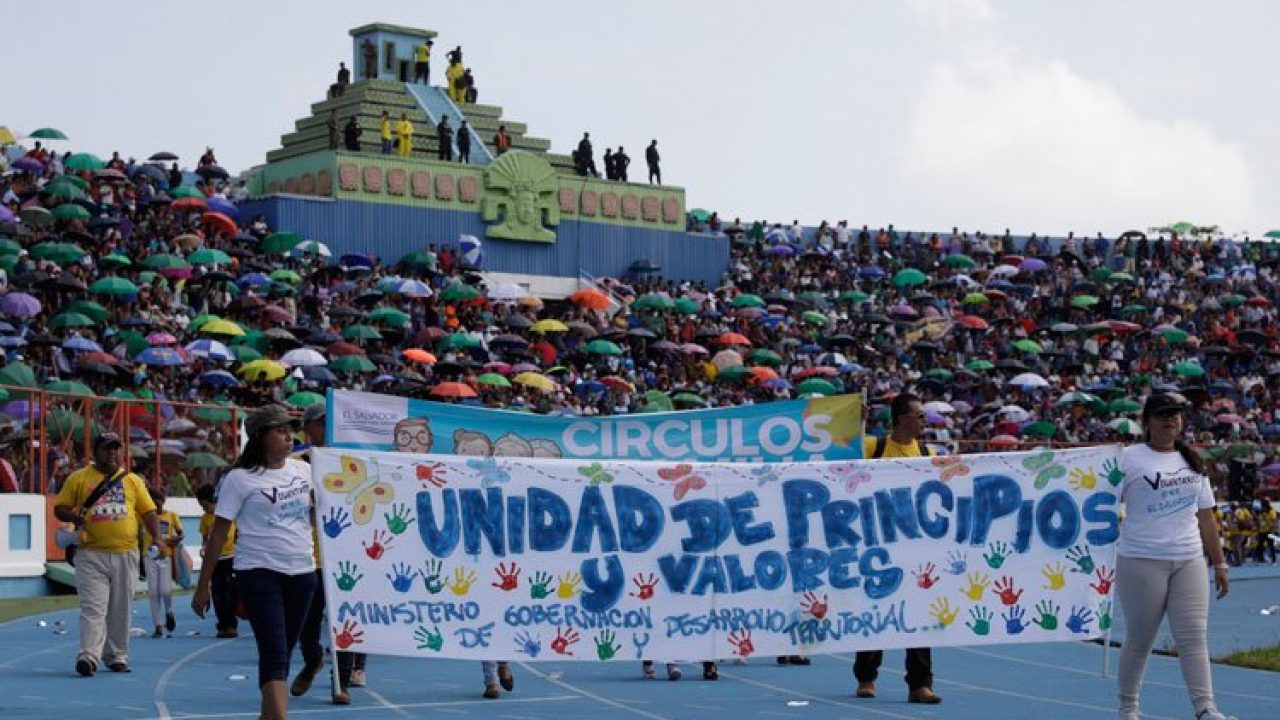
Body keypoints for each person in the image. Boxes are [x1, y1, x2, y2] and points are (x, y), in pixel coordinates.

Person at [1115, 393, 1236, 720]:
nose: (1170, 420)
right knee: (1140, 639)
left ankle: (1206, 708)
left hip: (1189, 558)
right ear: (1147, 421)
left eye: (1175, 414)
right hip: (1141, 559)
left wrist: (1220, 563)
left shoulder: (1193, 460)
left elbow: (1206, 516)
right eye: (1162, 414)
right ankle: (1128, 708)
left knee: (1193, 637)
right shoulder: (1127, 459)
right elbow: (1099, 500)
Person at [193, 405, 317, 720]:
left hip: (302, 572)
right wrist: (203, 585)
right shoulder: (239, 479)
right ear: (260, 436)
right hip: (259, 573)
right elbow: (219, 535)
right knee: (273, 651)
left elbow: (315, 516)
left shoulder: (304, 470)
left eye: (291, 431)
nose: (290, 437)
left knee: (284, 651)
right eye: (281, 431)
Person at [852, 392, 941, 704]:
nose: (924, 421)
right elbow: (841, 458)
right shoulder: (873, 447)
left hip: (914, 544)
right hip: (876, 542)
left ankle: (920, 683)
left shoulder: (927, 452)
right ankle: (866, 676)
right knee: (874, 608)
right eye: (919, 416)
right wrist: (854, 424)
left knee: (918, 614)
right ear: (902, 419)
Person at [54, 432, 162, 677]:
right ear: (95, 452)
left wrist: (157, 538)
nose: (112, 453)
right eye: (106, 449)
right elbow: (60, 508)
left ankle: (115, 655)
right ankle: (89, 656)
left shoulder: (133, 481)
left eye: (116, 448)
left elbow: (148, 512)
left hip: (126, 553)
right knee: (93, 607)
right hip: (91, 554)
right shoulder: (79, 478)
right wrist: (73, 518)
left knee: (120, 608)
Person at [292, 406, 366, 706]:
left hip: (342, 558)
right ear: (308, 427)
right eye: (320, 423)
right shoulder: (295, 463)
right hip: (306, 557)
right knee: (306, 623)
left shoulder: (347, 460)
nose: (326, 428)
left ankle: (342, 682)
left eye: (329, 422)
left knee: (344, 621)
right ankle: (313, 661)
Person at [197, 483, 239, 638]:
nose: (204, 509)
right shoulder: (205, 519)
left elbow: (234, 534)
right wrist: (204, 548)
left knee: (230, 591)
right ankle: (222, 624)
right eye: (201, 507)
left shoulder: (227, 514)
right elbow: (204, 538)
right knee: (217, 592)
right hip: (214, 559)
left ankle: (231, 625)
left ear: (212, 500)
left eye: (204, 505)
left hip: (230, 557)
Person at [144, 486, 184, 638]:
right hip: (149, 555)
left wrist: (168, 541)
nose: (156, 505)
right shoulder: (144, 517)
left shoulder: (172, 516)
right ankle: (158, 625)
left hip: (166, 556)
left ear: (163, 500)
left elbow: (181, 534)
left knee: (165, 590)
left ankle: (169, 611)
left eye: (158, 501)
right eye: (153, 502)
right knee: (153, 591)